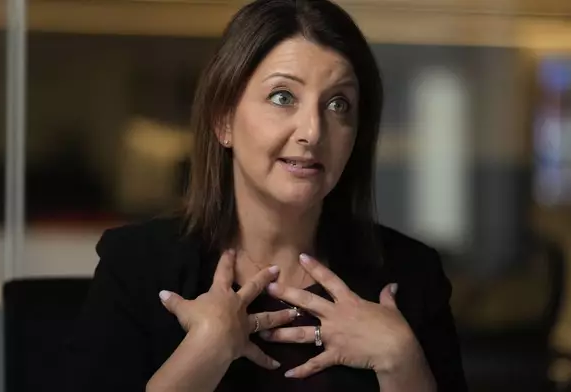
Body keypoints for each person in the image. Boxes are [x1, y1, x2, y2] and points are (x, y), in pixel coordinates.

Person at [64, 0, 467, 391]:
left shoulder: (412, 275)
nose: (313, 131)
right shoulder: (138, 266)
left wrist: (402, 362)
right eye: (283, 97)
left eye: (338, 104)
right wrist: (204, 353)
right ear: (223, 119)